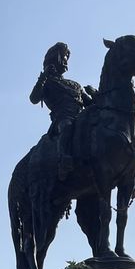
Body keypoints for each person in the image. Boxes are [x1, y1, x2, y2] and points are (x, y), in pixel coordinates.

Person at [29, 42, 95, 179]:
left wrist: (96, 95)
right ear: (56, 59)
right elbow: (34, 98)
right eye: (65, 57)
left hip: (82, 117)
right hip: (63, 117)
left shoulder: (75, 85)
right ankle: (64, 160)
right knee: (67, 126)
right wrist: (43, 77)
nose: (66, 61)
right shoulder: (47, 82)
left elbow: (90, 103)